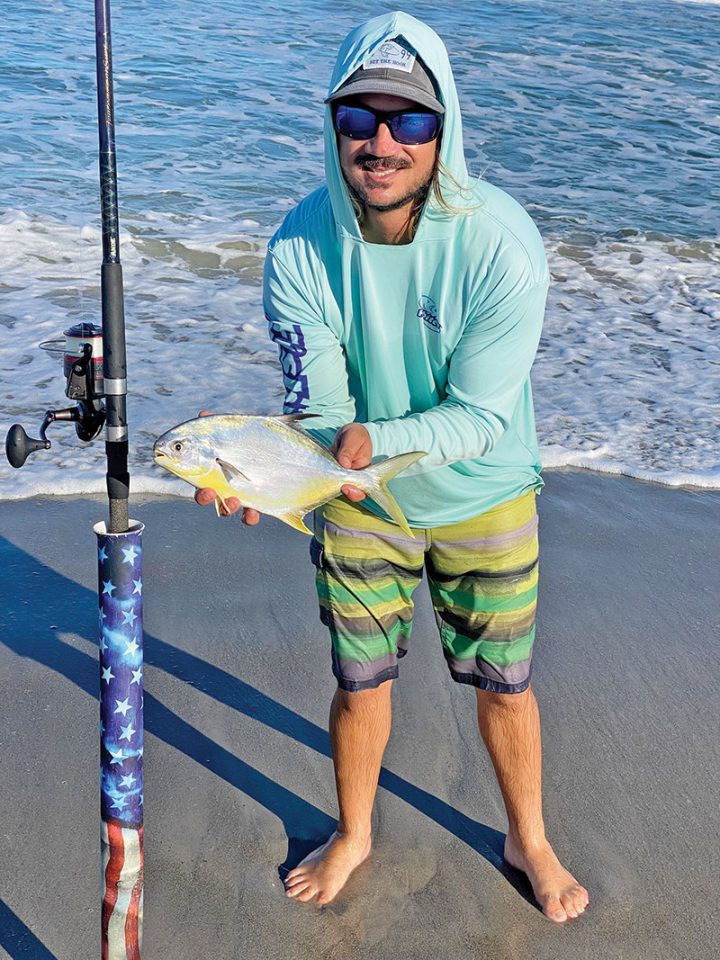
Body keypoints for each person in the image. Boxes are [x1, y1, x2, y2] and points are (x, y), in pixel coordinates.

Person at [196, 11, 589, 922]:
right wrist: (271, 476)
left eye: (409, 120)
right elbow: (319, 406)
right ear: (332, 125)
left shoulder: (500, 241)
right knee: (360, 680)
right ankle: (357, 830)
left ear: (443, 127)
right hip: (352, 493)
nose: (382, 142)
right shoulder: (299, 245)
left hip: (482, 491)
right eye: (359, 118)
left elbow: (484, 414)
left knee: (506, 683)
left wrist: (371, 445)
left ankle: (527, 837)